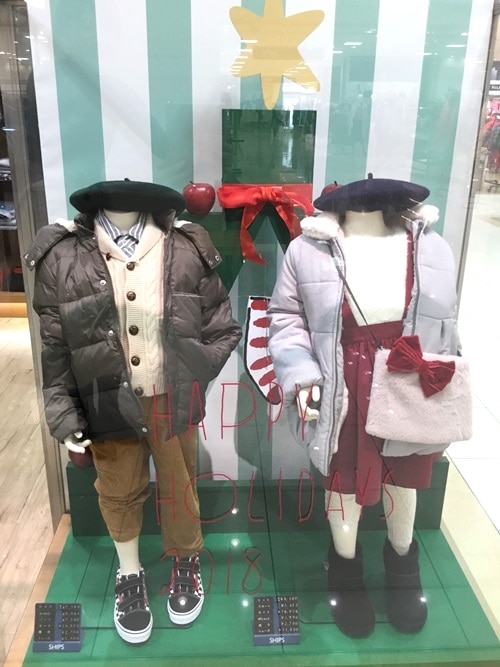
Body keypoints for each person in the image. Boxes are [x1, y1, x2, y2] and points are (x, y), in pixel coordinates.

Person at [25, 179, 242, 644]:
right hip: (105, 398)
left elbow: (222, 326)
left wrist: (193, 370)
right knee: (118, 489)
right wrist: (64, 413)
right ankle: (129, 572)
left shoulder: (184, 247)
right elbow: (54, 348)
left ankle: (185, 562)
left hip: (170, 397)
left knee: (180, 484)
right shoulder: (63, 256)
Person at [267, 175, 460, 638]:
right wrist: (302, 376)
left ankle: (403, 568)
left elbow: (445, 319)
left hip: (407, 374)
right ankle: (345, 571)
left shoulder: (431, 246)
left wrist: (446, 367)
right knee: (344, 481)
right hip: (342, 381)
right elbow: (286, 318)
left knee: (403, 476)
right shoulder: (306, 250)